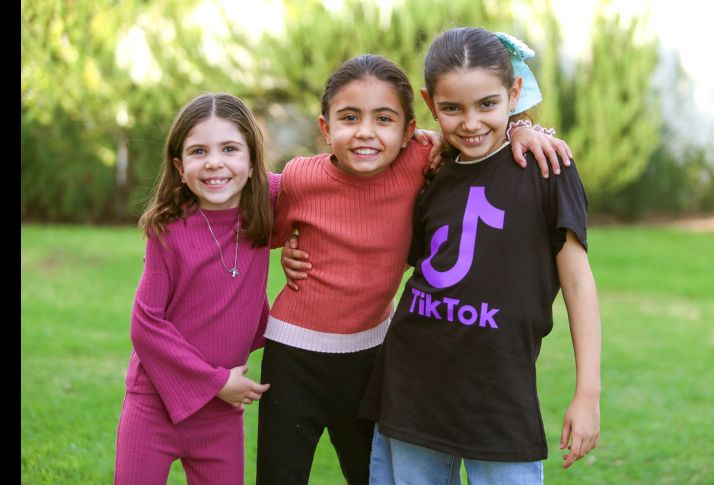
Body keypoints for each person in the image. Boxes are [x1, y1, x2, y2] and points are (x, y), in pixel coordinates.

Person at [258, 53, 575, 485]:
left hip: (371, 355)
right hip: (293, 352)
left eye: (384, 119)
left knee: (367, 475)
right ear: (325, 128)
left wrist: (523, 128)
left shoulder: (419, 160)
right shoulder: (297, 177)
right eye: (349, 118)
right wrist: (289, 249)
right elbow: (266, 230)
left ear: (409, 131)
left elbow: (471, 132)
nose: (366, 132)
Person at [358, 28, 601, 484]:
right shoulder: (430, 171)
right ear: (432, 105)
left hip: (499, 393)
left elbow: (579, 283)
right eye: (452, 109)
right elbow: (369, 223)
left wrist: (588, 391)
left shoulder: (547, 168)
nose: (470, 123)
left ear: (513, 93)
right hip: (412, 384)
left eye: (487, 105)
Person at [114, 93, 278, 485]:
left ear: (253, 159)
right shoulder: (167, 229)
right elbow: (145, 324)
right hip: (154, 403)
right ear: (180, 166)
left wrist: (421, 142)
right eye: (199, 151)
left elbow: (328, 180)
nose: (215, 162)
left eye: (230, 149)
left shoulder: (268, 205)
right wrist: (218, 383)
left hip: (220, 414)